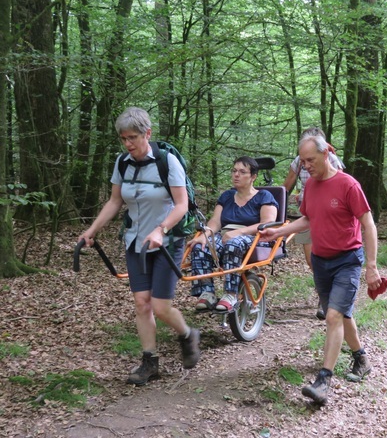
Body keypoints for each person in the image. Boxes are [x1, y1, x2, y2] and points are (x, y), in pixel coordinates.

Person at [78, 107, 200, 386]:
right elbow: (115, 201)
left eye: (133, 137)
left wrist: (161, 229)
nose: (128, 143)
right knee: (141, 303)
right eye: (123, 138)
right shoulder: (123, 163)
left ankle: (187, 334)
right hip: (136, 242)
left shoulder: (167, 163)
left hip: (167, 242)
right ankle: (149, 361)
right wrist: (92, 230)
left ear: (148, 133)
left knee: (160, 306)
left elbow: (181, 205)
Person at [260, 134, 382, 406]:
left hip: (347, 260)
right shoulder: (310, 187)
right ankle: (361, 358)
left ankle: (323, 381)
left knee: (333, 316)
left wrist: (371, 266)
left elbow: (369, 224)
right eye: (302, 162)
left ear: (326, 154)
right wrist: (278, 232)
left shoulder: (348, 185)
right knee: (338, 315)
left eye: (310, 160)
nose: (305, 166)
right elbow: (306, 219)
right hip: (321, 261)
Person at [189, 157, 278, 312]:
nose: (236, 175)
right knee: (199, 246)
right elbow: (215, 222)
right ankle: (207, 292)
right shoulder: (227, 196)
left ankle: (231, 293)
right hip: (225, 234)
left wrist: (239, 232)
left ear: (253, 177)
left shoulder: (264, 196)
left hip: (255, 237)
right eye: (234, 171)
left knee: (233, 243)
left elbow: (267, 223)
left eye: (242, 172)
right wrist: (205, 235)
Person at [283, 126, 345, 319]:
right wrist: (276, 204)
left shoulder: (332, 159)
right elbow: (287, 184)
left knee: (326, 258)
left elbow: (341, 183)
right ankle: (324, 292)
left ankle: (326, 298)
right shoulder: (298, 162)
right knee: (312, 260)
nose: (307, 162)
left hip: (328, 215)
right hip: (306, 213)